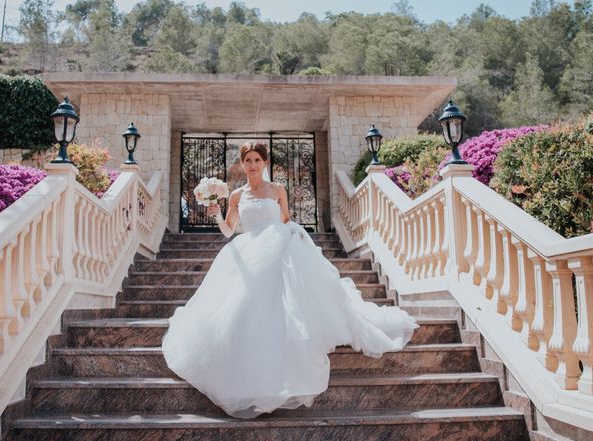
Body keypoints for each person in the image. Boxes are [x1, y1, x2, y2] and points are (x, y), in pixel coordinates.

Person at [161, 141, 419, 419]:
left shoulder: (277, 190)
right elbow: (229, 231)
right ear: (242, 164)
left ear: (265, 163)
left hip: (278, 245)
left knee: (285, 297)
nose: (252, 165)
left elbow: (284, 220)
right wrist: (217, 216)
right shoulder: (236, 195)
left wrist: (293, 235)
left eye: (257, 160)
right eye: (247, 160)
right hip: (247, 249)